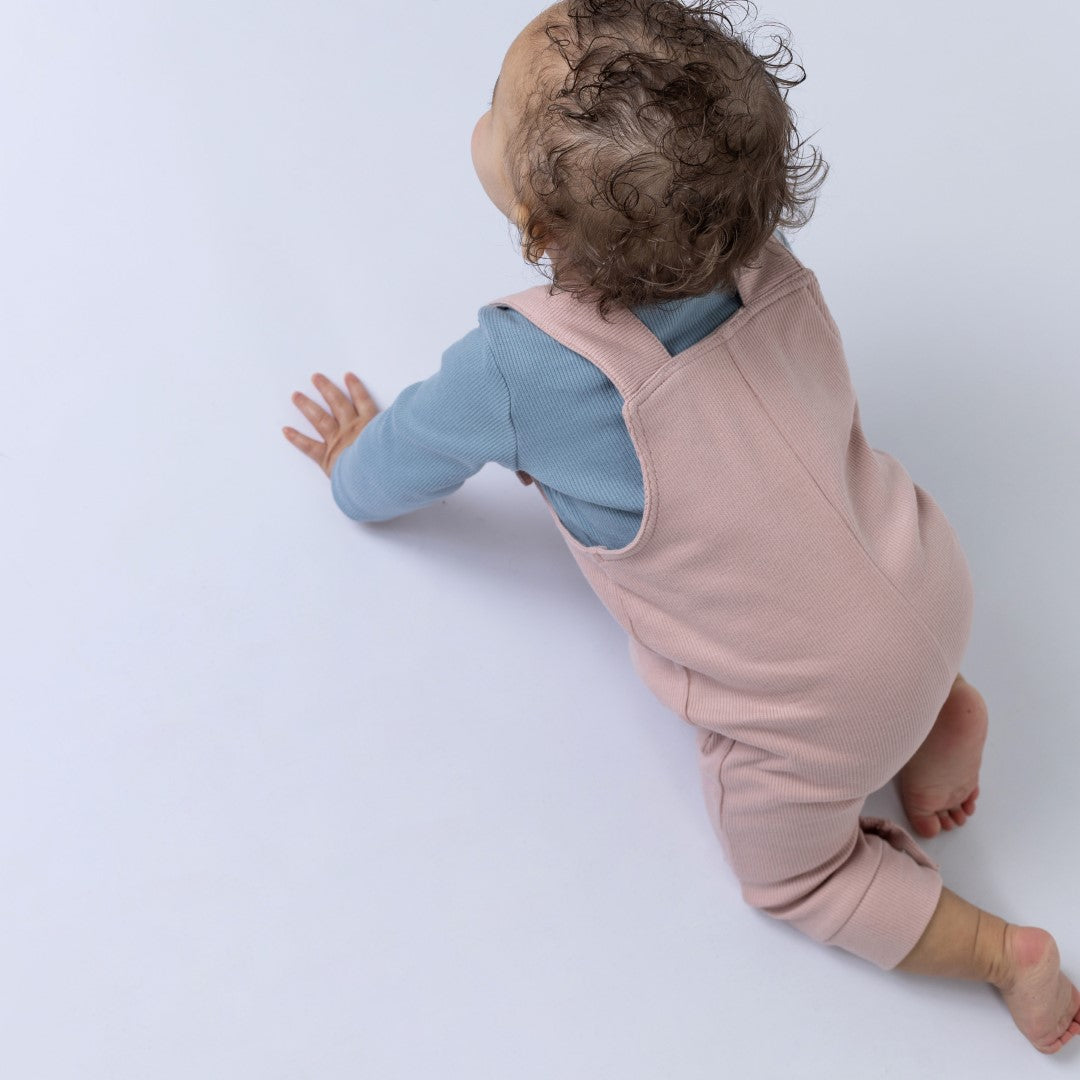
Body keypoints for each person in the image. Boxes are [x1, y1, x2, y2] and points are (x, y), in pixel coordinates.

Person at [282, 0, 1080, 1053]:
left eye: (491, 108)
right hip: (928, 574)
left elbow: (394, 472)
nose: (477, 114)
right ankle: (939, 708)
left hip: (818, 715)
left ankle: (997, 951)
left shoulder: (518, 366)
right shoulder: (764, 253)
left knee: (791, 878)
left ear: (537, 227)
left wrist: (352, 461)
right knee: (882, 631)